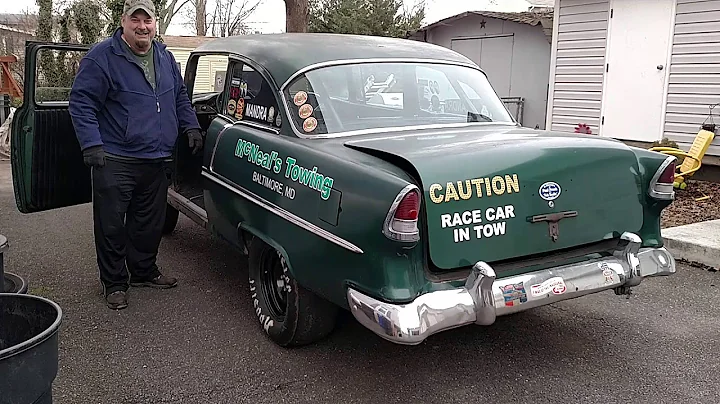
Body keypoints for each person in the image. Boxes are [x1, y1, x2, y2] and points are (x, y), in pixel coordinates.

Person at [69, 0, 203, 310]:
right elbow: (81, 103)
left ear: (155, 23)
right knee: (112, 224)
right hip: (116, 157)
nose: (142, 26)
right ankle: (115, 282)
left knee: (149, 222)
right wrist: (91, 144)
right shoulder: (103, 57)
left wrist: (191, 126)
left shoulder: (165, 58)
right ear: (123, 22)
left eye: (148, 20)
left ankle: (143, 271)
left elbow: (179, 96)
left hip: (155, 158)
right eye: (136, 20)